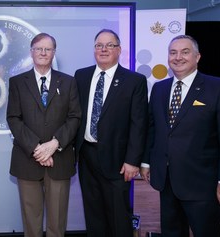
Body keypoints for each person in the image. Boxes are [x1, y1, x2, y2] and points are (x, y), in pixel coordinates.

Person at [141, 35, 220, 237]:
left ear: (197, 57)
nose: (178, 57)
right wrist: (147, 162)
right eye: (173, 52)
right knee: (172, 233)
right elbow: (152, 129)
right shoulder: (159, 89)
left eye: (185, 52)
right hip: (166, 181)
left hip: (201, 184)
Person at [74, 29, 148, 237]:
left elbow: (138, 124)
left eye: (109, 45)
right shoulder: (81, 75)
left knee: (118, 215)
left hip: (118, 160)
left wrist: (133, 161)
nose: (103, 49)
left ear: (119, 50)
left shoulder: (134, 81)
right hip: (86, 156)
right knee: (93, 213)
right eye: (99, 45)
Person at [6, 33, 81, 237]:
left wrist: (54, 145)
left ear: (54, 53)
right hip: (28, 160)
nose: (43, 53)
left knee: (57, 223)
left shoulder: (68, 82)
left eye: (47, 49)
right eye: (38, 48)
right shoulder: (18, 82)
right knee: (31, 221)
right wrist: (38, 148)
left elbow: (74, 117)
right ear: (31, 52)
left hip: (60, 160)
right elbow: (13, 118)